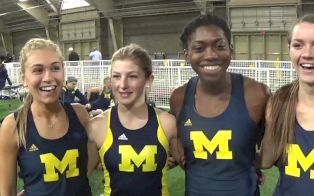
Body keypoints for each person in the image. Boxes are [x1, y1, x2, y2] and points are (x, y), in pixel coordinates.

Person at [169, 14, 270, 195]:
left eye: (219, 46)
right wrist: (175, 151)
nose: (211, 55)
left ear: (231, 49)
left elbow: (272, 146)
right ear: (187, 55)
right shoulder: (179, 98)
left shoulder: (257, 94)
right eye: (199, 48)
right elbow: (175, 139)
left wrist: (250, 161)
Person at [259, 14, 314, 196]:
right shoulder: (278, 101)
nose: (307, 54)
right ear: (290, 50)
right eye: (298, 45)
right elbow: (266, 159)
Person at [0, 38, 93, 195]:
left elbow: (90, 166)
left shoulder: (80, 114)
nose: (48, 77)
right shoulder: (13, 125)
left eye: (55, 68)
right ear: (24, 78)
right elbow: (7, 191)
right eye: (38, 70)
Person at [87, 43, 179, 195]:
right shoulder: (97, 126)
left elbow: (191, 165)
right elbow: (78, 177)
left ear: (148, 80)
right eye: (116, 76)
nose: (122, 85)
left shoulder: (168, 123)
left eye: (132, 76)